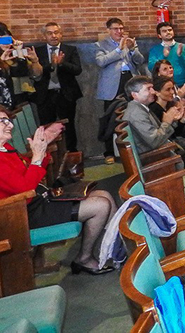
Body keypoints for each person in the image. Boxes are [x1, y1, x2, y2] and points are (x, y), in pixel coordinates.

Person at [0, 109, 115, 275]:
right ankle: (84, 258)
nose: (10, 125)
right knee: (101, 205)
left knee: (105, 195)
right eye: (3, 121)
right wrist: (37, 156)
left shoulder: (5, 148)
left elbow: (30, 170)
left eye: (8, 120)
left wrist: (43, 148)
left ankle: (120, 247)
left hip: (36, 201)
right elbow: (25, 189)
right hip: (21, 215)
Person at [122, 76, 185, 185]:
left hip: (164, 151)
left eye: (152, 88)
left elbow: (160, 134)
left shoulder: (141, 108)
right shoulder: (136, 114)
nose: (153, 92)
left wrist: (173, 121)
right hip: (159, 159)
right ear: (134, 94)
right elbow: (154, 141)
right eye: (148, 89)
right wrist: (167, 122)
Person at [94, 17, 146, 164]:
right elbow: (101, 61)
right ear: (108, 30)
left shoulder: (129, 42)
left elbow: (140, 60)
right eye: (116, 29)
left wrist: (132, 49)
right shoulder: (101, 45)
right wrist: (118, 49)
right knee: (110, 119)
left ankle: (136, 149)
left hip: (130, 81)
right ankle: (109, 152)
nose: (119, 31)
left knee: (134, 116)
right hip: (112, 85)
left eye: (121, 28)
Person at [31, 22, 83, 152]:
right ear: (44, 36)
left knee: (68, 125)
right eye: (50, 33)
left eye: (56, 32)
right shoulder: (37, 51)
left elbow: (77, 70)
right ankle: (48, 155)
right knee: (46, 127)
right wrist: (52, 65)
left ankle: (71, 153)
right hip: (45, 95)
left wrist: (62, 63)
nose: (53, 36)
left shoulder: (70, 49)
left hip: (65, 94)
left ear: (61, 34)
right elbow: (35, 73)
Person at [0, 23, 41, 110]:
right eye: (2, 41)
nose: (6, 44)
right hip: (4, 100)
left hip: (23, 97)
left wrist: (33, 60)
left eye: (8, 40)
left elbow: (34, 74)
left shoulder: (17, 53)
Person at [150, 76, 185, 142]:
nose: (172, 92)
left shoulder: (169, 105)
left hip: (175, 139)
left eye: (172, 88)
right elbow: (172, 135)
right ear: (157, 93)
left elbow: (177, 131)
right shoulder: (154, 109)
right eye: (168, 90)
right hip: (168, 142)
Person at [148, 22, 185, 86]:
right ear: (159, 35)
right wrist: (163, 56)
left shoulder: (183, 47)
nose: (168, 32)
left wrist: (181, 55)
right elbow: (151, 68)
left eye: (170, 30)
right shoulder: (154, 49)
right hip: (163, 84)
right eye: (164, 31)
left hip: (181, 83)